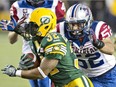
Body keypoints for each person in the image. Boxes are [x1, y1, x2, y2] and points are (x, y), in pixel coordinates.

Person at [1, 7, 94, 87]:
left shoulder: (54, 41)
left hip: (75, 84)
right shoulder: (38, 39)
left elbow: (41, 73)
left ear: (45, 26)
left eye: (33, 26)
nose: (30, 28)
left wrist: (16, 72)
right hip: (61, 84)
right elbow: (28, 36)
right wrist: (18, 30)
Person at [0, 0, 66, 87]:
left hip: (49, 48)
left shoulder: (55, 4)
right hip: (30, 52)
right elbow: (11, 40)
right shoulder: (18, 6)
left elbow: (63, 30)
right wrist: (16, 30)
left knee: (45, 81)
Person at [56, 3, 116, 87]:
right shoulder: (61, 29)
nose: (75, 28)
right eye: (72, 24)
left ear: (88, 21)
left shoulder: (98, 28)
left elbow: (110, 49)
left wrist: (97, 42)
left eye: (79, 24)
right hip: (85, 76)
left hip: (108, 73)